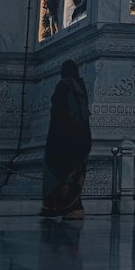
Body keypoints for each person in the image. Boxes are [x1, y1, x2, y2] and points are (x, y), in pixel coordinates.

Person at [41, 60, 92, 220]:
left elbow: (58, 116)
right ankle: (75, 208)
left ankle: (58, 206)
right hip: (82, 138)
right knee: (74, 176)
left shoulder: (62, 86)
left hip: (62, 139)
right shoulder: (81, 87)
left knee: (57, 174)